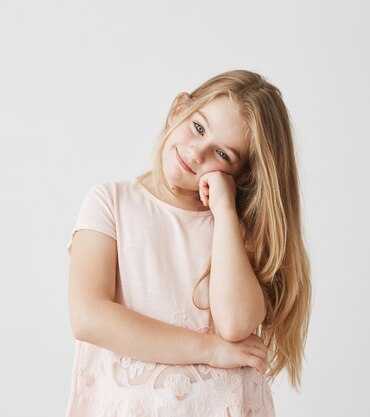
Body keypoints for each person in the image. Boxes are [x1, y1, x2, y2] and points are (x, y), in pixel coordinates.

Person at [65, 69, 312, 417]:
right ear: (179, 108)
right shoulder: (111, 203)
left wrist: (225, 211)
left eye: (222, 154)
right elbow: (89, 317)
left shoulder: (237, 233)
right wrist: (210, 350)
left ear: (243, 176)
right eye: (198, 127)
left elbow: (236, 323)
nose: (196, 153)